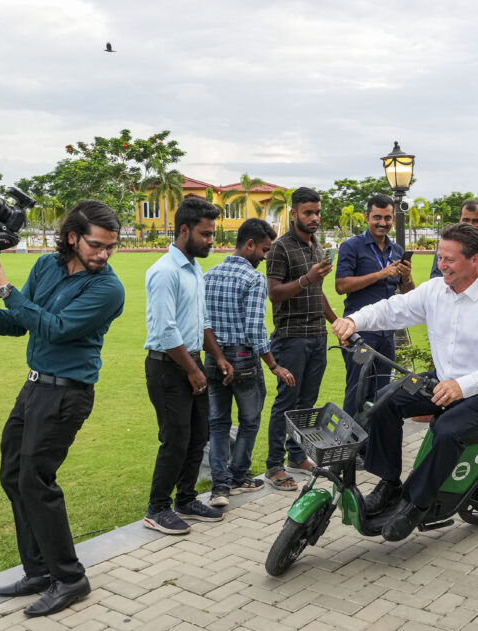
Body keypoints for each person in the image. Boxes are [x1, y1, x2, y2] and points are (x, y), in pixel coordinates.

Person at [0, 201, 125, 617]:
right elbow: (20, 324)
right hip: (34, 387)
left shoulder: (107, 288)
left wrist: (4, 289)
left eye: (111, 247)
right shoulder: (48, 267)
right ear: (72, 237)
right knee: (13, 475)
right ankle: (39, 570)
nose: (103, 254)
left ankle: (70, 578)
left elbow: (57, 329)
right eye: (96, 245)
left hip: (68, 394)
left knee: (36, 480)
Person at [331, 223, 478, 542]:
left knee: (446, 430)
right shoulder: (436, 291)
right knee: (383, 401)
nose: (440, 265)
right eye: (439, 257)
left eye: (449, 259)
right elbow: (393, 310)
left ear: (475, 260)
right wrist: (354, 320)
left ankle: (415, 503)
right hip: (445, 382)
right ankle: (389, 484)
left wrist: (463, 386)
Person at [143, 197, 228, 534]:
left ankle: (186, 498)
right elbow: (165, 330)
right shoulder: (165, 272)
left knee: (198, 435)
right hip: (167, 366)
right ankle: (157, 508)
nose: (211, 240)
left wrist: (217, 357)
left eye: (212, 234)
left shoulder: (194, 269)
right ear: (184, 230)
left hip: (191, 361)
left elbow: (200, 320)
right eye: (205, 234)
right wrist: (192, 371)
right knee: (175, 438)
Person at [203, 218, 295, 507]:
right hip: (243, 358)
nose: (265, 257)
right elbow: (255, 329)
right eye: (264, 250)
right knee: (250, 420)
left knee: (218, 423)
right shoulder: (252, 279)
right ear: (250, 244)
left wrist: (217, 356)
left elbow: (202, 323)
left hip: (213, 356)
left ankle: (219, 488)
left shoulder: (209, 274)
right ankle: (238, 477)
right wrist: (273, 365)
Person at [264, 187, 337, 491]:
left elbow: (316, 293)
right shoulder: (281, 247)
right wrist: (307, 278)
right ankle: (273, 465)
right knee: (287, 402)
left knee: (307, 403)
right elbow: (274, 293)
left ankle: (296, 455)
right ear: (293, 213)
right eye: (308, 212)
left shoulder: (317, 247)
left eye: (317, 212)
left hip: (317, 336)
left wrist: (337, 323)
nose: (314, 218)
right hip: (291, 337)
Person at [334, 193, 414, 418]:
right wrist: (380, 274)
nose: (383, 223)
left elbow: (408, 293)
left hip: (387, 331)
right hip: (359, 330)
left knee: (381, 392)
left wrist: (406, 277)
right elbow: (341, 286)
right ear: (367, 217)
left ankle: (372, 448)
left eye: (387, 218)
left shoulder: (396, 250)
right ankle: (349, 448)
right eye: (377, 217)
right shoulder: (352, 246)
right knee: (357, 390)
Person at [430, 200, 478, 285]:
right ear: (460, 219)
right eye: (466, 220)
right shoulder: (446, 247)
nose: (470, 224)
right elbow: (434, 280)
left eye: (475, 221)